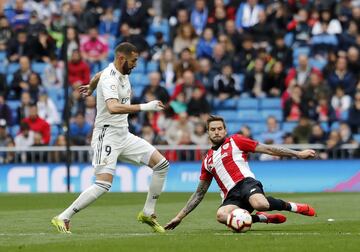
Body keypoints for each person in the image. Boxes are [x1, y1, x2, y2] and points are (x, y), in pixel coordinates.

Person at [51, 42, 169, 234]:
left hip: (124, 134)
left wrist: (90, 87)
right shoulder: (110, 79)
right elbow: (113, 107)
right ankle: (63, 217)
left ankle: (148, 212)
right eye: (133, 61)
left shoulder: (113, 72)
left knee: (162, 165)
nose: (135, 65)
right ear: (122, 58)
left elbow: (97, 75)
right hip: (106, 135)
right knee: (103, 184)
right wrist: (145, 106)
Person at [165, 115, 317, 231]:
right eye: (213, 129)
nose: (216, 132)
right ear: (208, 133)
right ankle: (262, 219)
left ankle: (293, 207)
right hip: (231, 196)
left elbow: (268, 149)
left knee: (260, 203)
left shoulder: (236, 141)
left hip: (246, 183)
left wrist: (298, 154)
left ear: (225, 130)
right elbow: (199, 193)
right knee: (221, 216)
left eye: (219, 129)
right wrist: (179, 217)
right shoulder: (207, 161)